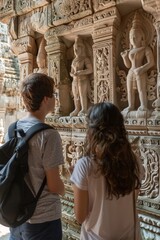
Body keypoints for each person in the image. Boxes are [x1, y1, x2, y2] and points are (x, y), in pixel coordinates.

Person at [70, 102, 144, 240]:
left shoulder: (85, 165)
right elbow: (131, 200)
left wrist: (75, 183)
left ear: (91, 130)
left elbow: (80, 217)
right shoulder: (134, 161)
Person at [7, 73, 65, 240]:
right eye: (53, 94)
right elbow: (54, 185)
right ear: (46, 99)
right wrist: (66, 189)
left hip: (17, 215)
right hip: (43, 218)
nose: (55, 99)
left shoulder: (12, 130)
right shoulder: (48, 135)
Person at [121, 12, 154, 112]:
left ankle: (143, 106)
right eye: (131, 37)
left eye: (136, 36)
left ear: (142, 37)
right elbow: (128, 65)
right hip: (131, 72)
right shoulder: (130, 51)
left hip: (140, 71)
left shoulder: (145, 49)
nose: (133, 39)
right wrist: (124, 57)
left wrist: (141, 69)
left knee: (141, 90)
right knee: (130, 91)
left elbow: (151, 62)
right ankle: (131, 106)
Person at [70, 36, 93, 117]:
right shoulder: (74, 60)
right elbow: (71, 72)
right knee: (75, 95)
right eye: (75, 49)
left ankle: (84, 109)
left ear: (82, 49)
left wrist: (81, 72)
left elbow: (90, 70)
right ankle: (77, 108)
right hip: (75, 80)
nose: (76, 51)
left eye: (78, 48)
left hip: (83, 79)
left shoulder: (85, 59)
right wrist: (72, 74)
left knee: (82, 94)